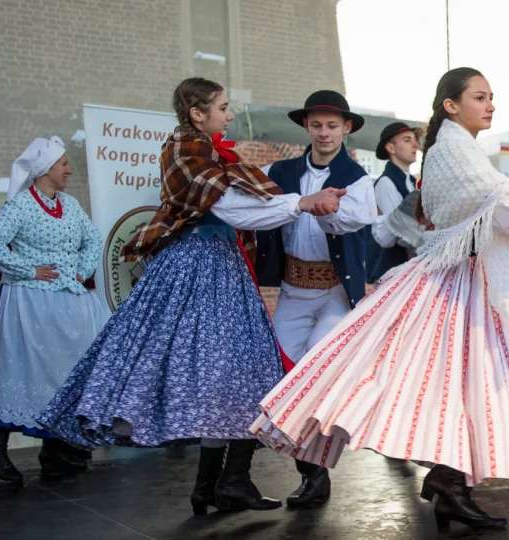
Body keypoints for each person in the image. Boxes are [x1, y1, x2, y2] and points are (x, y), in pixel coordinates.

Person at [251, 68, 509, 532]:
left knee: (460, 384)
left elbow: (495, 197)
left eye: (491, 97)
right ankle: (446, 482)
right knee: (446, 381)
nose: (490, 104)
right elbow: (497, 200)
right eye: (479, 97)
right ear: (451, 106)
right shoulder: (452, 149)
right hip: (450, 282)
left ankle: (452, 483)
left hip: (464, 280)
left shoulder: (460, 148)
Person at [37, 77, 345, 515]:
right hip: (199, 266)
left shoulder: (210, 152)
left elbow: (238, 205)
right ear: (197, 113)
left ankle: (217, 486)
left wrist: (301, 203)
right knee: (241, 374)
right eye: (222, 106)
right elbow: (230, 208)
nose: (230, 113)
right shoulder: (185, 151)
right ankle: (226, 483)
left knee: (230, 378)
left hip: (220, 264)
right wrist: (301, 203)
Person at [254, 90, 377, 510]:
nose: (324, 133)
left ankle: (314, 475)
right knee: (278, 376)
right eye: (317, 125)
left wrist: (317, 206)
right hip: (293, 290)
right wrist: (296, 202)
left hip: (333, 295)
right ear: (306, 127)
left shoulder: (358, 179)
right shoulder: (279, 170)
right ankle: (309, 472)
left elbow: (352, 219)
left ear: (346, 128)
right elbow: (259, 207)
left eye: (332, 125)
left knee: (314, 374)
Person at [0, 137, 108, 486]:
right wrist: (27, 269)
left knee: (65, 373)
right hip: (31, 303)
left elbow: (93, 239)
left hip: (69, 301)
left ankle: (61, 451)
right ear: (45, 169)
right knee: (24, 371)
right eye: (63, 163)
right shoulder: (21, 205)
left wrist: (82, 269)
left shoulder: (69, 203)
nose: (68, 169)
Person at [369, 122, 420, 281]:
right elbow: (394, 234)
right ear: (390, 148)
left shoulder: (409, 181)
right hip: (393, 272)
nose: (415, 145)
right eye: (407, 140)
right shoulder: (386, 183)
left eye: (414, 140)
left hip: (406, 271)